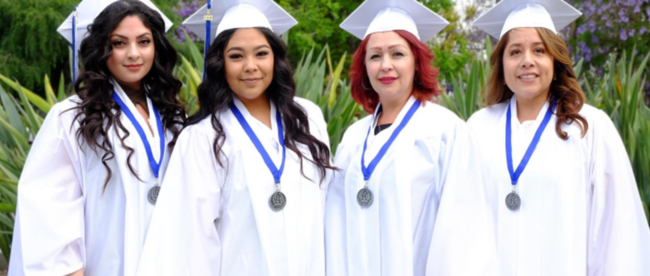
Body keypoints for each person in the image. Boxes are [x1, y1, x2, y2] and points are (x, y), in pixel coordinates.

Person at [137, 1, 334, 275]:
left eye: (261, 53)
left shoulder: (307, 119)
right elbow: (190, 239)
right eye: (237, 56)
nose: (250, 66)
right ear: (220, 64)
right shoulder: (204, 137)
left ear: (275, 59)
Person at [470, 0, 650, 275]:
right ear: (502, 67)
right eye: (515, 51)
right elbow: (462, 223)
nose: (527, 60)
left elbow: (616, 229)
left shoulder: (589, 127)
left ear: (555, 61)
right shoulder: (478, 129)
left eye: (539, 50)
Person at [8, 0, 184, 275]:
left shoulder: (170, 115)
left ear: (156, 46)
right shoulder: (71, 117)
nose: (134, 54)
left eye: (144, 41)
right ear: (101, 48)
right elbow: (48, 209)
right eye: (119, 43)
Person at [325, 1, 497, 275]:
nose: (386, 66)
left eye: (397, 54)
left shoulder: (444, 130)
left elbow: (461, 230)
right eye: (375, 56)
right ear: (365, 68)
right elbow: (335, 226)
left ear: (416, 62)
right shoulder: (353, 138)